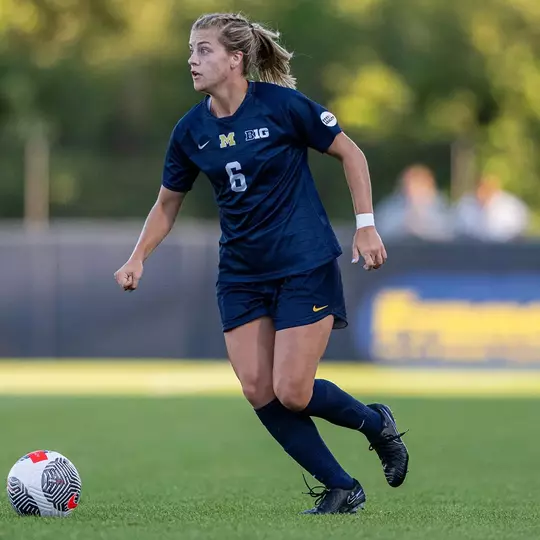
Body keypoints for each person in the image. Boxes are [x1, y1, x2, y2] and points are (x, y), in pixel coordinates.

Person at [114, 12, 408, 515]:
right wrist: (138, 256)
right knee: (257, 387)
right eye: (191, 49)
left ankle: (374, 423)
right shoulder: (191, 130)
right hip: (241, 273)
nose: (192, 58)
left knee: (292, 391)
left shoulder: (281, 106)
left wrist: (365, 224)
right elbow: (167, 204)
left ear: (236, 59)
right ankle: (341, 487)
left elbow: (352, 154)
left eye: (203, 50)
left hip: (302, 262)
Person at [375, 164, 454, 241]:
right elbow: (381, 230)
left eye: (419, 185)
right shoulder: (389, 209)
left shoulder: (442, 208)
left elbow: (450, 232)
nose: (412, 190)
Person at [454, 174, 529, 242]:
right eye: (480, 187)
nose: (482, 192)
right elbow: (457, 231)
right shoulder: (465, 205)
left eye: (486, 188)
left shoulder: (511, 206)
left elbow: (518, 232)